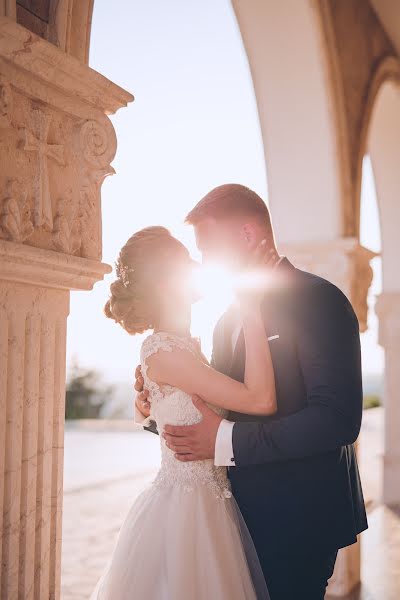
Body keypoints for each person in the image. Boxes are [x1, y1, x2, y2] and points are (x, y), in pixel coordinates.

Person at [135, 184, 368, 600]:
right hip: (229, 516)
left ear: (246, 235)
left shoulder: (318, 299)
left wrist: (224, 440)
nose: (204, 262)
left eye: (208, 248)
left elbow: (336, 419)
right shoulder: (228, 319)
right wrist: (158, 406)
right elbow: (217, 403)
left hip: (297, 515)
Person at [90, 224, 279, 599]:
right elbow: (261, 401)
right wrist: (252, 310)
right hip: (187, 514)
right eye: (184, 261)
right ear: (164, 283)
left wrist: (146, 407)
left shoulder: (181, 347)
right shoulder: (167, 352)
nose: (196, 264)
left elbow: (170, 409)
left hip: (208, 505)